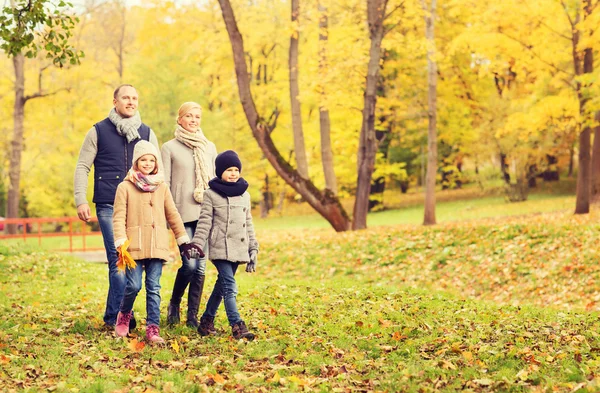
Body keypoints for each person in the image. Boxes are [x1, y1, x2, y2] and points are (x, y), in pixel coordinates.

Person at [74, 84, 160, 329]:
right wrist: (81, 198)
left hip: (140, 207)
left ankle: (122, 313)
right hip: (108, 204)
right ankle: (114, 317)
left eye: (134, 97)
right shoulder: (98, 131)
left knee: (134, 262)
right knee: (119, 260)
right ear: (115, 101)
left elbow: (158, 172)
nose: (131, 101)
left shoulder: (147, 133)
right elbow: (82, 166)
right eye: (125, 97)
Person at [112, 140, 202, 343]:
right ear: (136, 162)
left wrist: (183, 241)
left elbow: (173, 214)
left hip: (157, 244)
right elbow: (118, 216)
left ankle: (153, 328)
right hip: (133, 245)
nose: (147, 163)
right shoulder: (124, 187)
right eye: (143, 160)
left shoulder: (162, 187)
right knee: (134, 286)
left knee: (154, 287)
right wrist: (120, 240)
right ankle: (124, 314)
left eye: (151, 160)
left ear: (156, 163)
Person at [183, 150, 258, 340]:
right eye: (228, 170)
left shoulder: (245, 195)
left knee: (222, 286)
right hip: (220, 248)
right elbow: (205, 222)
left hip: (239, 248)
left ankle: (206, 321)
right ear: (220, 172)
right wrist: (196, 245)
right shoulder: (211, 194)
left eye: (236, 170)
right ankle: (237, 325)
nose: (233, 173)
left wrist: (253, 248)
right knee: (230, 287)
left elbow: (248, 223)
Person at [161, 102, 218, 328]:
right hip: (181, 215)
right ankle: (174, 303)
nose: (193, 120)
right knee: (191, 265)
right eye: (189, 116)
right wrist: (167, 213)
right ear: (180, 119)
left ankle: (192, 317)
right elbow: (164, 184)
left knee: (201, 267)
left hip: (205, 213)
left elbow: (215, 180)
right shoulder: (169, 148)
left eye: (197, 117)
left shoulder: (209, 147)